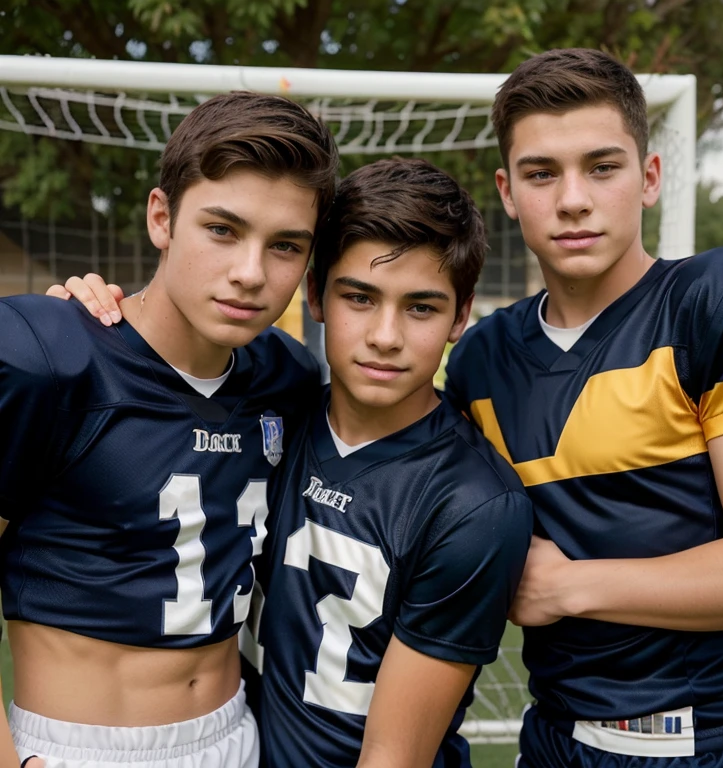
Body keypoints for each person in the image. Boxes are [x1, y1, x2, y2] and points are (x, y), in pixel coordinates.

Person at [56, 157, 534, 768]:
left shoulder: (473, 505)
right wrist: (86, 324)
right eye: (360, 297)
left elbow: (394, 757)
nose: (385, 335)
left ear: (460, 317)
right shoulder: (271, 410)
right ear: (315, 295)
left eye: (420, 307)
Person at [444, 48, 723, 766]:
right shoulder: (480, 359)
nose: (572, 199)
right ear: (506, 190)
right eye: (541, 173)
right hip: (550, 739)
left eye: (602, 166)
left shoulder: (718, 303)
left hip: (704, 743)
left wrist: (567, 587)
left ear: (649, 178)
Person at [0, 89, 338, 768]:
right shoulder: (45, 357)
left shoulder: (289, 378)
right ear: (162, 217)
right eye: (222, 229)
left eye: (285, 246)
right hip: (74, 749)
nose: (249, 273)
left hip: (237, 735)